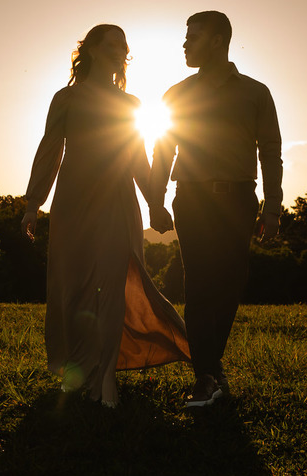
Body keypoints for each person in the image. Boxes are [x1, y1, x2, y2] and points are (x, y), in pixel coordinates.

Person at [22, 24, 190, 408]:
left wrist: (155, 203)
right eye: (112, 43)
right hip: (74, 200)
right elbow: (50, 150)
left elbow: (137, 160)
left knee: (114, 283)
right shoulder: (66, 99)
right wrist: (33, 204)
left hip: (117, 200)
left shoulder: (130, 105)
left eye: (124, 45)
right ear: (92, 50)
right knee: (75, 285)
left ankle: (106, 378)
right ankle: (78, 368)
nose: (120, 50)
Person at [147, 11, 283, 407]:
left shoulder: (255, 92)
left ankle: (208, 369)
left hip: (239, 199)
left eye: (193, 36)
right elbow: (161, 152)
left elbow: (271, 153)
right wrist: (154, 202)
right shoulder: (176, 92)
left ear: (219, 39)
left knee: (229, 283)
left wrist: (272, 208)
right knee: (201, 282)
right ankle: (207, 374)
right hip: (191, 198)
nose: (185, 44)